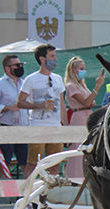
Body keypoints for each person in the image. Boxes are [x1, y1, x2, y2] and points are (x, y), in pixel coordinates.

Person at [17, 44, 66, 175]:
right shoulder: (31, 79)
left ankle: (51, 194)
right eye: (52, 56)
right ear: (42, 59)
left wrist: (65, 127)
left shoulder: (58, 79)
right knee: (33, 164)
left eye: (55, 56)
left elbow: (62, 104)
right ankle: (28, 192)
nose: (55, 59)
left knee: (55, 165)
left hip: (55, 126)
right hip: (38, 125)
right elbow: (20, 102)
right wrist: (39, 105)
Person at [0, 54, 30, 177]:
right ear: (7, 68)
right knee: (4, 161)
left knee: (26, 162)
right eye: (17, 65)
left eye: (21, 64)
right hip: (6, 126)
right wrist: (7, 108)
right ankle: (0, 192)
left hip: (23, 127)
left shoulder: (25, 84)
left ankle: (28, 191)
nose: (20, 67)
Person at [64, 57, 106, 127]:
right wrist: (97, 86)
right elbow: (86, 103)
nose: (84, 71)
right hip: (79, 118)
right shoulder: (71, 86)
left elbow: (91, 102)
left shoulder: (82, 86)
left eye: (84, 69)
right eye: (81, 69)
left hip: (88, 115)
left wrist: (91, 101)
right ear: (73, 70)